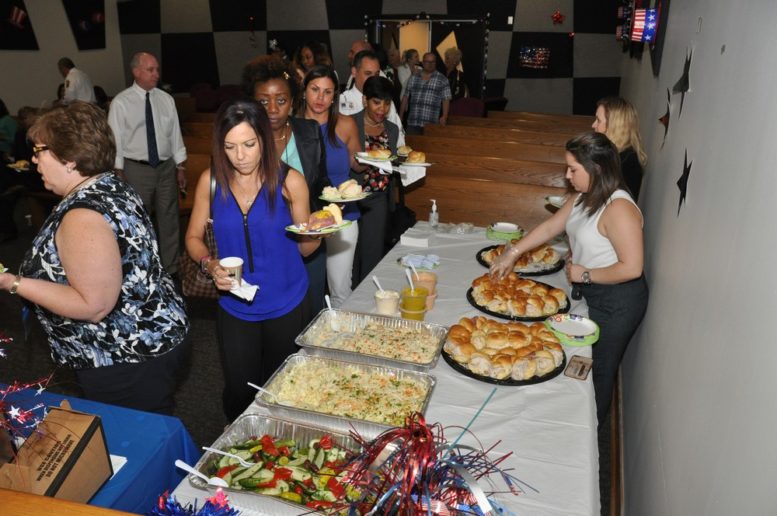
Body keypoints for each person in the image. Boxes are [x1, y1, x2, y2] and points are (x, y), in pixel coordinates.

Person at [0, 102, 190, 413]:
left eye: (39, 150)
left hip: (124, 357)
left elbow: (93, 306)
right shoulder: (108, 183)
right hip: (151, 335)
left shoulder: (83, 216)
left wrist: (12, 282)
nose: (33, 159)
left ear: (69, 159)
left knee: (136, 435)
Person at [491, 132, 648, 427]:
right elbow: (551, 227)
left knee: (597, 368)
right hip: (590, 290)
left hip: (617, 301)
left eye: (573, 169)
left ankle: (589, 430)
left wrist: (584, 274)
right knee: (576, 360)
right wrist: (512, 253)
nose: (567, 175)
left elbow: (632, 268)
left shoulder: (620, 208)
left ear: (596, 168)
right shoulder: (582, 197)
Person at [185, 98, 319, 420]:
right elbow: (192, 238)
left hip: (286, 302)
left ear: (264, 139)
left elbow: (305, 250)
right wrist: (210, 264)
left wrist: (318, 232)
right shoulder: (211, 181)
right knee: (239, 391)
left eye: (249, 144)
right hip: (236, 305)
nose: (240, 156)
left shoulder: (290, 182)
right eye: (230, 147)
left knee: (281, 391)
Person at [242, 55, 330, 316]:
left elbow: (321, 181)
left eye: (280, 101)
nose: (272, 109)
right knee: (273, 314)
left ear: (292, 102)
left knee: (312, 309)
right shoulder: (242, 142)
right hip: (264, 245)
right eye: (263, 101)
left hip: (307, 238)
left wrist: (330, 207)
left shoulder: (309, 131)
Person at [108, 52, 187, 276]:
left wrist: (180, 166)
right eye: (150, 70)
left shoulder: (166, 99)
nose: (156, 74)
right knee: (138, 219)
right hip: (136, 169)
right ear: (136, 72)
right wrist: (118, 170)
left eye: (157, 70)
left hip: (165, 167)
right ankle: (143, 267)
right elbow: (115, 139)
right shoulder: (121, 102)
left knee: (169, 218)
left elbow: (175, 134)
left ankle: (171, 267)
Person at [302, 65, 362, 307]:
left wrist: (371, 161)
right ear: (304, 91)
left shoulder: (346, 124)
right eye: (315, 89)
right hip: (304, 214)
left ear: (334, 96)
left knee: (340, 288)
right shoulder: (291, 126)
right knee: (306, 286)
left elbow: (357, 164)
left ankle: (339, 330)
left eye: (327, 92)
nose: (320, 98)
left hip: (343, 213)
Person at [350, 76, 401, 285]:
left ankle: (365, 296)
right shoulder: (350, 123)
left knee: (372, 254)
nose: (382, 109)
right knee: (350, 256)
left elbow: (393, 161)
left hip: (378, 198)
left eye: (387, 103)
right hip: (351, 198)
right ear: (365, 100)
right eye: (376, 102)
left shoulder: (392, 129)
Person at [339, 50, 405, 147]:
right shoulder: (341, 102)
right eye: (368, 73)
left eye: (377, 74)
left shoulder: (386, 101)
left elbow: (399, 141)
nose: (374, 78)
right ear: (354, 72)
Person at [592, 97, 647, 201]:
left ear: (614, 125)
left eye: (598, 120)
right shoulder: (613, 154)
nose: (593, 125)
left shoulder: (628, 161)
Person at [400, 52, 451, 134]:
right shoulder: (413, 77)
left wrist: (444, 116)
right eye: (427, 62)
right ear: (423, 63)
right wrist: (401, 116)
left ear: (436, 63)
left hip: (431, 124)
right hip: (413, 122)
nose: (430, 64)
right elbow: (405, 97)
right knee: (411, 142)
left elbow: (446, 99)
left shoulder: (442, 79)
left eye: (432, 62)